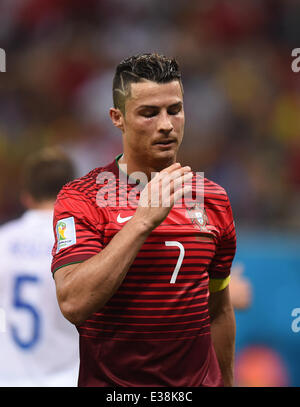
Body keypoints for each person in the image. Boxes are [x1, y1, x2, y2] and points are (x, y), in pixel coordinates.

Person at [52, 53, 237, 387]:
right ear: (117, 117)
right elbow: (74, 303)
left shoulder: (214, 199)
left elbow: (220, 310)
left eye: (174, 110)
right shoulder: (80, 198)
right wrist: (141, 222)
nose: (166, 124)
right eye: (149, 113)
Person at [0, 147, 80, 387]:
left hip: (9, 377)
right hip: (67, 376)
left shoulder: (2, 240)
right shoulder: (83, 246)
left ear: (27, 195)